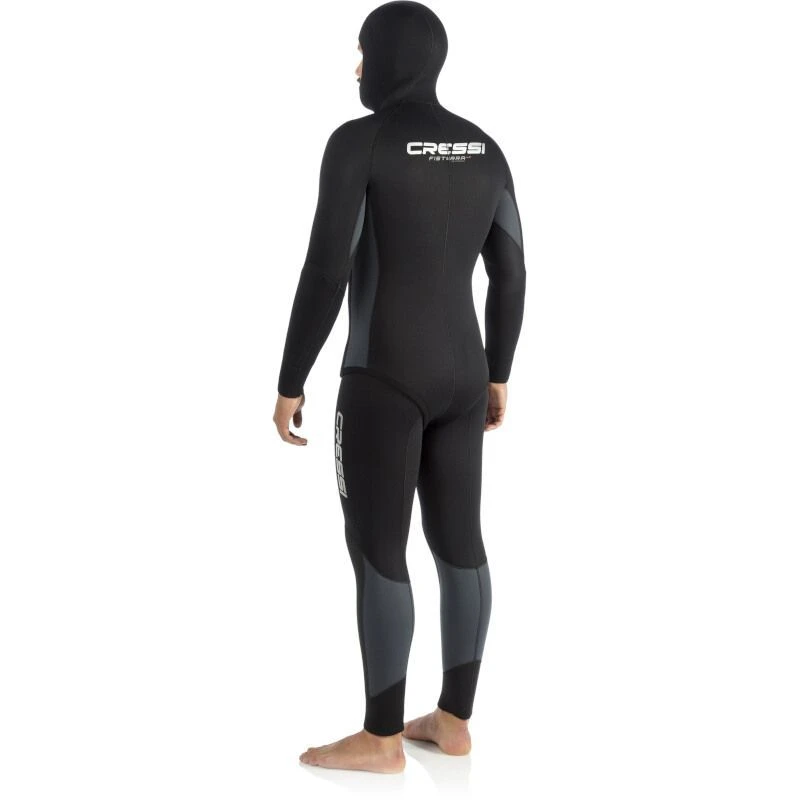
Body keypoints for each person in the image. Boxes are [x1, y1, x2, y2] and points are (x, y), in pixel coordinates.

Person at [274, 0, 526, 773]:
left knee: (379, 552)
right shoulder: (485, 148)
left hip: (383, 377)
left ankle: (381, 738)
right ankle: (453, 723)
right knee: (461, 546)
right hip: (463, 376)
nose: (356, 67)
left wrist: (290, 378)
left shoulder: (361, 141)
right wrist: (498, 371)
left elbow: (327, 267)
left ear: (388, 57)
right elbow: (512, 270)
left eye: (362, 50)